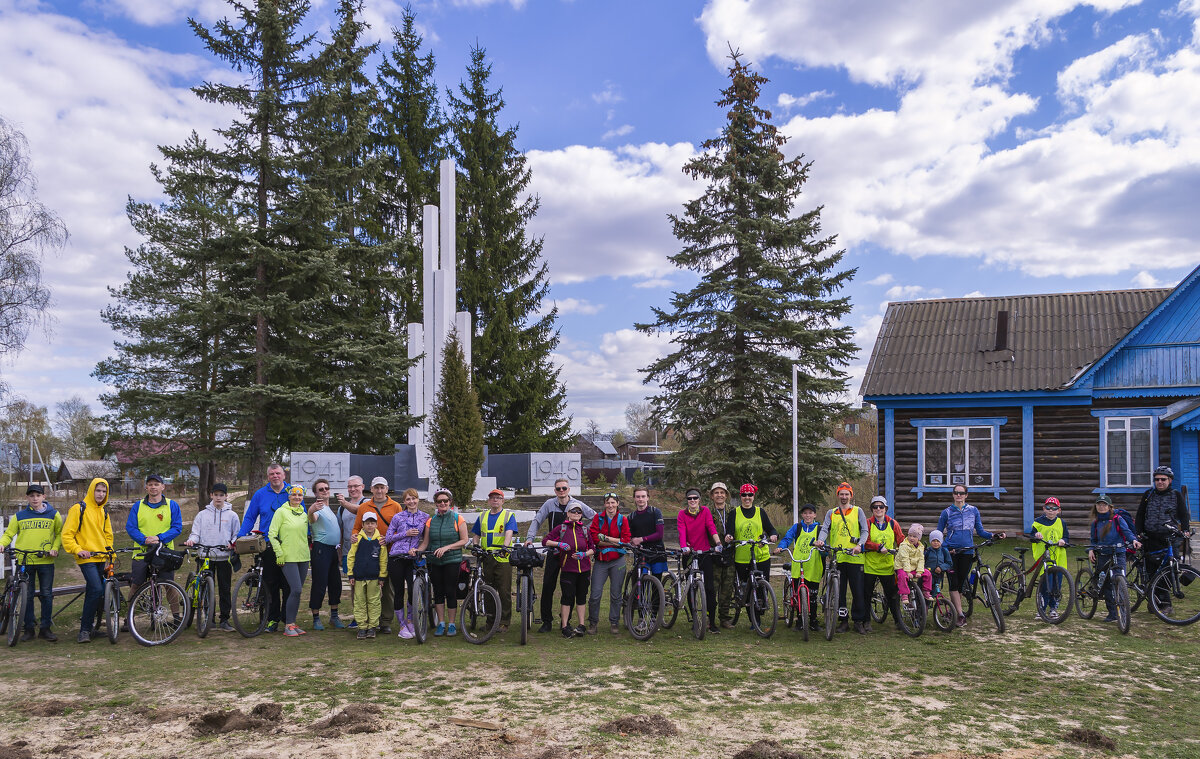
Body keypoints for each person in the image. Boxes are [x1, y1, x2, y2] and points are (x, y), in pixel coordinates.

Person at [526, 478, 595, 632]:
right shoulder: (549, 504)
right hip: (555, 552)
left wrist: (586, 531)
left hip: (571, 556)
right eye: (558, 488)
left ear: (569, 489)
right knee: (548, 586)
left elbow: (595, 517)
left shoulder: (577, 504)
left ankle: (566, 622)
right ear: (555, 490)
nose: (561, 491)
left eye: (564, 488)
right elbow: (537, 521)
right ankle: (547, 621)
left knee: (569, 588)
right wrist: (529, 539)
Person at [936, 484, 1005, 627]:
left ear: (966, 495)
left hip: (967, 551)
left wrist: (993, 535)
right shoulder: (946, 512)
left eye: (961, 493)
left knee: (960, 583)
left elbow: (980, 531)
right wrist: (944, 548)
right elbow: (938, 534)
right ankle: (960, 615)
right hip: (952, 552)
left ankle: (954, 610)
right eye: (956, 492)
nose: (958, 495)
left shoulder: (973, 511)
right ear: (953, 494)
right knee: (953, 582)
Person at [1, 484, 62, 642]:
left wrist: (55, 548)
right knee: (26, 596)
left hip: (46, 561)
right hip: (24, 560)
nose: (35, 498)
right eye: (31, 496)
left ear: (44, 497)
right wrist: (2, 543)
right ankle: (28, 629)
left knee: (46, 594)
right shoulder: (19, 516)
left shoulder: (53, 514)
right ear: (27, 498)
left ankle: (45, 628)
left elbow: (60, 534)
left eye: (38, 495)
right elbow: (9, 534)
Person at [239, 463, 292, 632]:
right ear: (268, 476)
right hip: (267, 546)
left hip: (289, 546)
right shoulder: (260, 494)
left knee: (289, 584)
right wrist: (240, 536)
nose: (275, 476)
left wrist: (306, 536)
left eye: (278, 473)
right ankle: (272, 619)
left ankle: (288, 618)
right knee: (270, 584)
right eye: (271, 474)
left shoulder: (292, 492)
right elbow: (250, 517)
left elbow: (302, 514)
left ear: (284, 475)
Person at [60, 478, 114, 643]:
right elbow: (67, 534)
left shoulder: (104, 512)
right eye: (98, 491)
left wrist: (110, 552)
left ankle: (90, 627)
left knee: (96, 592)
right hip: (86, 558)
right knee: (97, 589)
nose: (101, 494)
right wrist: (78, 550)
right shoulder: (78, 508)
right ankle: (84, 630)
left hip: (100, 557)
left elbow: (108, 535)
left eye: (104, 491)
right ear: (91, 490)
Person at [184, 482, 239, 632]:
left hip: (223, 557)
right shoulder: (202, 515)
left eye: (222, 495)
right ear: (211, 496)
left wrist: (232, 543)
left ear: (226, 497)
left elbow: (236, 534)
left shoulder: (232, 515)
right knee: (206, 589)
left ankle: (225, 620)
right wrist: (192, 540)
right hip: (205, 556)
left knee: (224, 589)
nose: (219, 498)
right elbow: (195, 533)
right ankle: (209, 618)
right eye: (216, 495)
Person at [1136, 465, 1191, 614]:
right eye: (1157, 479)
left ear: (1170, 480)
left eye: (1163, 479)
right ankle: (1154, 602)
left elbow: (1184, 514)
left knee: (1167, 571)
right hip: (1150, 538)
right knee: (1152, 571)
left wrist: (1185, 530)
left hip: (1169, 539)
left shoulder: (1176, 495)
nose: (1159, 482)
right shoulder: (1148, 494)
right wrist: (1139, 532)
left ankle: (1165, 604)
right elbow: (1140, 514)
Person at [723, 483, 778, 625]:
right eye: (744, 495)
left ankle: (760, 607)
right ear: (740, 496)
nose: (747, 498)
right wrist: (728, 537)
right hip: (742, 557)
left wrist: (772, 536)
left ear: (754, 496)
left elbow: (771, 529)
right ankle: (754, 621)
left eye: (750, 495)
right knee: (747, 588)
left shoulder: (761, 512)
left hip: (761, 555)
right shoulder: (734, 513)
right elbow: (729, 531)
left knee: (761, 586)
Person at [816, 482, 868, 634]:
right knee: (840, 592)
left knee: (858, 591)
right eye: (841, 494)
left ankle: (858, 621)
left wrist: (859, 545)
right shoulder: (831, 512)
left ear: (851, 495)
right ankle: (843, 621)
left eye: (847, 494)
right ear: (837, 495)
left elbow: (865, 531)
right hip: (838, 558)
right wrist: (820, 540)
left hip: (855, 558)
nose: (844, 497)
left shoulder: (858, 511)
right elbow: (825, 529)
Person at [354, 477, 402, 633]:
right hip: (367, 554)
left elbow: (400, 529)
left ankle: (386, 621)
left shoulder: (395, 506)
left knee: (387, 588)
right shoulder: (364, 507)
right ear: (371, 489)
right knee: (366, 589)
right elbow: (356, 527)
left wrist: (388, 538)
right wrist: (354, 536)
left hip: (389, 551)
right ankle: (367, 621)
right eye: (376, 488)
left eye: (382, 488)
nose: (379, 491)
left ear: (387, 489)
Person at [418, 489, 468, 636]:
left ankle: (452, 624)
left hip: (452, 559)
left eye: (445, 501)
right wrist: (417, 550)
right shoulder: (430, 521)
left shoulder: (458, 519)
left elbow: (464, 540)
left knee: (450, 591)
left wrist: (446, 548)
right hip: (434, 561)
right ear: (436, 503)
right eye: (439, 501)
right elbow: (426, 542)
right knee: (438, 592)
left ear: (450, 502)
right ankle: (441, 623)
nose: (442, 503)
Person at [543, 503, 595, 637]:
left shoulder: (584, 530)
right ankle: (565, 625)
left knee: (582, 597)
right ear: (568, 513)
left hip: (584, 569)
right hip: (568, 568)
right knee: (567, 597)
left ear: (581, 515)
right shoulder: (562, 528)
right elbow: (545, 541)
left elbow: (592, 548)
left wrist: (584, 554)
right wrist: (559, 544)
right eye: (573, 511)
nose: (576, 514)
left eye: (579, 512)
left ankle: (581, 625)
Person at [384, 488, 429, 639]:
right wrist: (406, 533)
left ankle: (410, 620)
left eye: (414, 498)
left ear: (418, 500)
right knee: (398, 591)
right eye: (408, 499)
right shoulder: (398, 517)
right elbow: (388, 537)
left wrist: (417, 549)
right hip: (396, 557)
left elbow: (426, 539)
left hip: (412, 559)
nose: (411, 502)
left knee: (412, 590)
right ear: (404, 501)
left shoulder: (425, 517)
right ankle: (402, 624)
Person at [125, 474, 183, 592]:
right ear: (146, 487)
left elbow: (177, 527)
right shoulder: (138, 506)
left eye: (156, 484)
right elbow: (131, 527)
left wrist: (159, 538)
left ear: (163, 487)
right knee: (136, 584)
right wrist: (144, 540)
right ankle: (131, 609)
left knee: (169, 586)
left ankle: (176, 611)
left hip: (164, 551)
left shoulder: (172, 505)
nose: (153, 487)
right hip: (141, 552)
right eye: (150, 484)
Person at [269, 485, 312, 637]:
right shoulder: (281, 511)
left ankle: (293, 623)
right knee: (296, 589)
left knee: (298, 592)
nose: (297, 498)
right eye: (294, 495)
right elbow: (272, 534)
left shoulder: (303, 513)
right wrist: (279, 553)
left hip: (303, 556)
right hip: (288, 557)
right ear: (289, 496)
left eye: (300, 496)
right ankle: (288, 624)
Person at [677, 487, 722, 634]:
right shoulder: (682, 514)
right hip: (690, 553)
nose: (692, 501)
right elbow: (682, 532)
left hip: (705, 553)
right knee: (691, 587)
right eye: (689, 498)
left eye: (695, 498)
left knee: (709, 588)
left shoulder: (705, 512)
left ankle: (711, 621)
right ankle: (695, 619)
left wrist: (718, 543)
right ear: (687, 500)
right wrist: (684, 547)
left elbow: (711, 527)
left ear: (699, 499)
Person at [1090, 494, 1141, 622]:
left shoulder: (1117, 519)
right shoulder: (1095, 523)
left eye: (1104, 505)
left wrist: (1134, 540)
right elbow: (1093, 539)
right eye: (1099, 505)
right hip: (1102, 553)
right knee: (1106, 582)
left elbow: (1127, 532)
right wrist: (1091, 549)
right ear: (1096, 507)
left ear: (1109, 506)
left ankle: (1123, 612)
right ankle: (1112, 613)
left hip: (1118, 552)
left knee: (1119, 580)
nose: (1101, 507)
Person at [472, 489, 518, 632]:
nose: (495, 500)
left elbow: (509, 533)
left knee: (504, 590)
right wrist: (475, 546)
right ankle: (490, 621)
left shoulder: (508, 516)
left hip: (502, 557)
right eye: (492, 498)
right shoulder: (482, 516)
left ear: (502, 501)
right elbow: (476, 534)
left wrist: (505, 546)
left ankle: (504, 622)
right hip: (487, 557)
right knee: (488, 590)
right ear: (489, 500)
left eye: (498, 498)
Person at [774, 502, 822, 631]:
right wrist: (781, 547)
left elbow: (824, 546)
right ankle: (799, 620)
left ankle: (813, 621)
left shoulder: (819, 529)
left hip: (813, 566)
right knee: (798, 595)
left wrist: (823, 547)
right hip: (798, 564)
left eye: (810, 513)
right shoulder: (797, 527)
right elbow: (787, 539)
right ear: (802, 514)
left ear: (815, 515)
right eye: (805, 513)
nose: (808, 515)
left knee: (812, 596)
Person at [588, 492, 631, 634]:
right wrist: (614, 541)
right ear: (604, 504)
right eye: (608, 502)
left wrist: (606, 538)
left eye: (613, 502)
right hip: (601, 561)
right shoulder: (598, 518)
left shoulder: (622, 519)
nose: (610, 505)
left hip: (617, 561)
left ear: (618, 503)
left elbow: (625, 540)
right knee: (595, 594)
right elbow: (594, 538)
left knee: (616, 594)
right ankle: (593, 622)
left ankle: (614, 622)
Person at [306, 478, 345, 631]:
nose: (324, 491)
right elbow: (312, 519)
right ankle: (316, 618)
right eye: (321, 489)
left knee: (335, 584)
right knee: (319, 584)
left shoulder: (329, 509)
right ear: (316, 493)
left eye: (326, 488)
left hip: (333, 551)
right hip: (321, 549)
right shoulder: (317, 508)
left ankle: (334, 616)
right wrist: (311, 510)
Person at [863, 495, 905, 632]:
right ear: (872, 509)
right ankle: (866, 621)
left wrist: (903, 550)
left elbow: (901, 540)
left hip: (888, 566)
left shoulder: (893, 523)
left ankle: (898, 620)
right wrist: (877, 547)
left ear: (886, 508)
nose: (878, 509)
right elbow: (865, 541)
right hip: (871, 565)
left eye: (881, 506)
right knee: (867, 594)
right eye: (875, 507)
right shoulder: (868, 523)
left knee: (892, 595)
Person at [1026, 496, 1069, 614]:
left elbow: (1066, 537)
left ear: (1058, 510)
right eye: (1048, 508)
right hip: (1044, 558)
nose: (1051, 510)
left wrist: (1063, 541)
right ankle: (1042, 609)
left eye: (1054, 508)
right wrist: (1036, 535)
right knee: (1046, 584)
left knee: (1056, 585)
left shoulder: (1062, 523)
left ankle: (1053, 608)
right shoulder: (1038, 522)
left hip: (1058, 558)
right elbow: (1032, 537)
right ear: (1044, 509)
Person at [348, 512, 388, 639]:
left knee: (374, 602)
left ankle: (372, 627)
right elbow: (351, 557)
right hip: (359, 576)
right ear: (363, 524)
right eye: (367, 523)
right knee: (359, 601)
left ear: (376, 524)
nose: (370, 526)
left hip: (374, 577)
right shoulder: (357, 539)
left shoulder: (380, 541)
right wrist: (351, 574)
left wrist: (382, 576)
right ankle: (362, 626)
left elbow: (383, 559)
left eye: (372, 523)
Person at [708, 482, 736, 629]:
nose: (719, 495)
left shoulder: (733, 510)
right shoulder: (706, 511)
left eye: (722, 492)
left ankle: (724, 618)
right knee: (712, 588)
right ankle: (709, 618)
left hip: (730, 553)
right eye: (716, 492)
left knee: (727, 589)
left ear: (726, 495)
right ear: (712, 496)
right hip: (713, 554)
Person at [631, 486, 668, 579]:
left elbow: (659, 534)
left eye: (643, 496)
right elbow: (630, 536)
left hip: (657, 552)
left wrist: (641, 539)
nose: (640, 499)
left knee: (656, 586)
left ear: (648, 497)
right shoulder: (631, 517)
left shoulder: (655, 512)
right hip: (641, 553)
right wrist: (632, 541)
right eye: (638, 497)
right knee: (641, 582)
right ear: (634, 498)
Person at [895, 524, 932, 602]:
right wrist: (908, 572)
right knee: (902, 576)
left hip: (914, 568)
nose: (911, 538)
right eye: (910, 535)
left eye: (914, 536)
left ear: (918, 538)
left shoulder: (920, 547)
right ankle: (904, 594)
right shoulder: (904, 546)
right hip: (903, 567)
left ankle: (926, 591)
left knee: (928, 573)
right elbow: (905, 559)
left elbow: (921, 560)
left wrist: (919, 571)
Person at [925, 530, 952, 596]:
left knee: (934, 592)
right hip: (927, 576)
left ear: (941, 542)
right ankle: (923, 605)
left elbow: (949, 563)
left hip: (938, 576)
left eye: (938, 541)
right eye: (933, 541)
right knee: (925, 591)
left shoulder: (944, 551)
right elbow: (922, 562)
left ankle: (930, 603)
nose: (935, 543)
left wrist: (941, 567)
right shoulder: (927, 551)